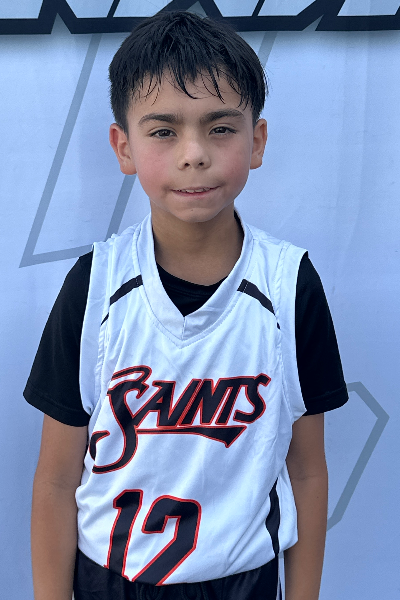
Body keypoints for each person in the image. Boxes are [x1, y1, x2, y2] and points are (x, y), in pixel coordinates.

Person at [25, 10, 348, 600]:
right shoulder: (94, 285)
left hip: (243, 581)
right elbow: (55, 479)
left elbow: (306, 470)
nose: (194, 153)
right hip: (109, 580)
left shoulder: (288, 283)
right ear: (123, 146)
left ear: (257, 141)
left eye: (220, 128)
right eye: (164, 131)